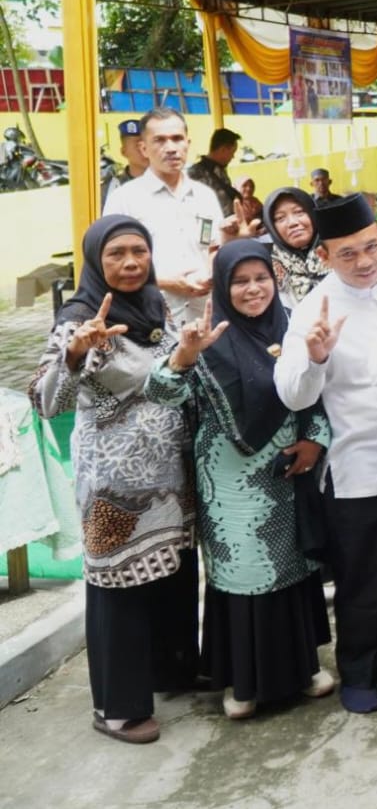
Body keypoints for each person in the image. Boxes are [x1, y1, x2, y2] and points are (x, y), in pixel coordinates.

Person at [144, 240, 335, 720]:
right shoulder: (204, 335)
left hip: (289, 469)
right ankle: (243, 682)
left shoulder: (292, 327)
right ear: (224, 288)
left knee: (293, 568)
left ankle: (304, 668)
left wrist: (315, 439)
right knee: (244, 575)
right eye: (240, 281)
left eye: (261, 279)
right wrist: (184, 357)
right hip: (229, 481)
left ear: (276, 279)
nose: (253, 290)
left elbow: (318, 393)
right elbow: (161, 395)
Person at [29, 215, 197, 744]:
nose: (129, 264)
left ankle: (171, 670)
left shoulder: (155, 306)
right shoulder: (79, 320)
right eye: (116, 254)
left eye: (138, 252)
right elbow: (45, 399)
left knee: (171, 574)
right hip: (115, 488)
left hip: (171, 476)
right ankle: (117, 707)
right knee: (118, 587)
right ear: (96, 262)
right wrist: (76, 354)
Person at [275, 195, 377, 714]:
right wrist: (315, 358)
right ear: (324, 258)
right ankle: (359, 672)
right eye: (348, 255)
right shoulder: (314, 308)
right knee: (362, 580)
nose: (364, 263)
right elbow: (293, 394)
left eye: (371, 247)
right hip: (358, 466)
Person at [104, 108, 242, 324]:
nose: (170, 148)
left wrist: (227, 248)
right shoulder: (124, 200)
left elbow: (211, 247)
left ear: (188, 143)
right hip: (149, 320)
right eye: (159, 140)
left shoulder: (204, 196)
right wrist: (165, 282)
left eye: (177, 139)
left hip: (203, 316)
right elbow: (110, 265)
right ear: (144, 148)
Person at [263, 187, 328, 310]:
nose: (293, 223)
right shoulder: (266, 266)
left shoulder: (339, 253)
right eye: (280, 218)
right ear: (271, 227)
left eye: (299, 212)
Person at [189, 127, 242, 212]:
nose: (233, 157)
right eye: (232, 152)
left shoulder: (220, 171)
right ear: (223, 149)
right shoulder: (195, 173)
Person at [102, 117, 147, 203]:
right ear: (124, 152)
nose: (144, 149)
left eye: (148, 143)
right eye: (137, 145)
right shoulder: (110, 189)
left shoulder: (170, 183)